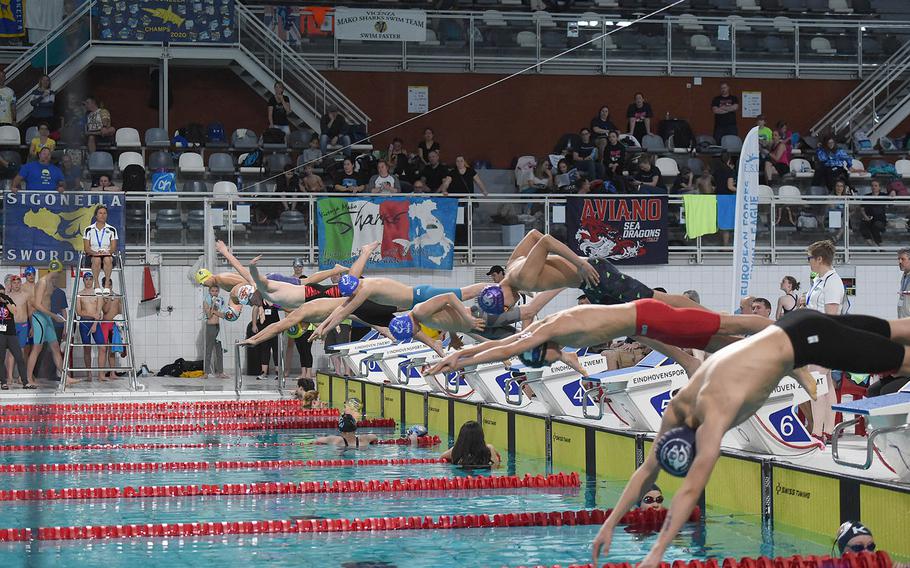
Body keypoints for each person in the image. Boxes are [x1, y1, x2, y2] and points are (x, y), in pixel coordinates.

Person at [591, 309, 910, 567]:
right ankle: (794, 369)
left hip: (809, 342)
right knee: (890, 328)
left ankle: (795, 368)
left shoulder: (715, 415)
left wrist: (657, 550)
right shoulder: (679, 405)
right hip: (792, 327)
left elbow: (690, 488)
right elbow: (647, 471)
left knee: (902, 359)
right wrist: (609, 524)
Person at [429, 299, 770, 377]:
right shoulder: (544, 331)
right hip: (644, 325)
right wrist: (458, 358)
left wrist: (458, 361)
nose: (555, 360)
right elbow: (501, 345)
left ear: (542, 350)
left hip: (649, 317)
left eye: (548, 359)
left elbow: (507, 348)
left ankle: (788, 330)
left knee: (726, 324)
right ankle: (774, 353)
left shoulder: (549, 331)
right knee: (718, 341)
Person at [474, 229, 703, 319]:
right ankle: (686, 359)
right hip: (589, 285)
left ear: (499, 296)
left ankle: (709, 316)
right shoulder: (511, 265)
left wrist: (579, 263)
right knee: (624, 323)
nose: (510, 308)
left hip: (596, 274)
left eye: (505, 307)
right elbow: (533, 235)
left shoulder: (522, 277)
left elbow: (545, 241)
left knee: (656, 298)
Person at [310, 274, 487, 344]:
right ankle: (479, 330)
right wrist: (322, 327)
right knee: (453, 320)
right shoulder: (360, 286)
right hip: (416, 301)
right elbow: (342, 307)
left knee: (467, 292)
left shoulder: (366, 289)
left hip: (420, 295)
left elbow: (344, 312)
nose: (352, 296)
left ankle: (504, 287)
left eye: (352, 293)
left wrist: (324, 328)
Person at [804, 240, 845, 442]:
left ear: (819, 259)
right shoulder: (820, 280)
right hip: (817, 337)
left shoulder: (833, 281)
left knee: (816, 384)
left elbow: (831, 316)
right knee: (826, 385)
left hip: (826, 339)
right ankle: (829, 430)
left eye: (810, 258)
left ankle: (817, 432)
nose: (808, 262)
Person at [26, 261, 73, 386]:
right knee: (37, 348)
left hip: (47, 318)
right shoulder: (42, 282)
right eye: (58, 272)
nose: (58, 275)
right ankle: (29, 379)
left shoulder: (51, 283)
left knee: (56, 348)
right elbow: (36, 304)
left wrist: (53, 316)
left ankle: (65, 377)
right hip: (39, 318)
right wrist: (54, 316)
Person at [82, 205, 118, 296]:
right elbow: (86, 248)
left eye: (105, 213)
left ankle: (106, 284)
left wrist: (107, 252)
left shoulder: (112, 229)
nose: (103, 215)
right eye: (100, 213)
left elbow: (113, 248)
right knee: (97, 259)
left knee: (107, 258)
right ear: (96, 215)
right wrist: (96, 253)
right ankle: (97, 284)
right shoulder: (88, 229)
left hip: (107, 255)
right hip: (92, 255)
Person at [0, 284, 30, 390]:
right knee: (1, 359)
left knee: (19, 357)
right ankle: (3, 382)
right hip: (1, 335)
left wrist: (6, 302)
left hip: (11, 334)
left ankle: (25, 382)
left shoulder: (9, 300)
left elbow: (14, 311)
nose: (1, 296)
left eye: (3, 293)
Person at [76, 272, 104, 382]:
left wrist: (95, 324)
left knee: (102, 347)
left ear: (93, 280)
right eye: (86, 279)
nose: (88, 281)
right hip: (84, 323)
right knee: (87, 349)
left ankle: (101, 374)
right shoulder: (79, 294)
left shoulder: (98, 294)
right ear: (83, 280)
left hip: (96, 323)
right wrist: (92, 315)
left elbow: (99, 312)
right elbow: (78, 312)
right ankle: (89, 374)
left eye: (90, 279)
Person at [202, 284, 227, 380]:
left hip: (219, 327)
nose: (214, 293)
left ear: (218, 291)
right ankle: (206, 373)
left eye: (216, 291)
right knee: (209, 350)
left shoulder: (221, 300)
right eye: (212, 291)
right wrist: (212, 304)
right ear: (209, 291)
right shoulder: (206, 301)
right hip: (210, 327)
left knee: (219, 351)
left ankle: (220, 372)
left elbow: (223, 315)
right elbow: (208, 315)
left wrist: (215, 312)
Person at [253, 298, 281, 381]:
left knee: (276, 349)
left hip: (275, 327)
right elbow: (255, 311)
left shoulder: (275, 299)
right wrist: (254, 325)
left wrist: (273, 304)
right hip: (264, 327)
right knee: (265, 349)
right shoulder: (260, 300)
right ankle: (264, 372)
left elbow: (282, 307)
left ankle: (278, 372)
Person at [312, 413, 378, 447]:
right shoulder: (364, 439)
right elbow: (375, 437)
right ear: (355, 430)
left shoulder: (337, 440)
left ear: (341, 432)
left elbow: (316, 440)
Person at [859, 179, 887, 247]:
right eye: (872, 186)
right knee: (862, 225)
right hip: (868, 218)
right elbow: (862, 209)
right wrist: (865, 216)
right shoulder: (866, 196)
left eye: (876, 185)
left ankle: (880, 244)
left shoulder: (884, 195)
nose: (873, 187)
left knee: (875, 225)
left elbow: (893, 198)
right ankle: (872, 245)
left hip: (880, 220)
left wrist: (893, 192)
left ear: (879, 187)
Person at [898, 249, 910, 318]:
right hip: (903, 318)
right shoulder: (905, 275)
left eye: (903, 259)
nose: (899, 262)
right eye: (899, 259)